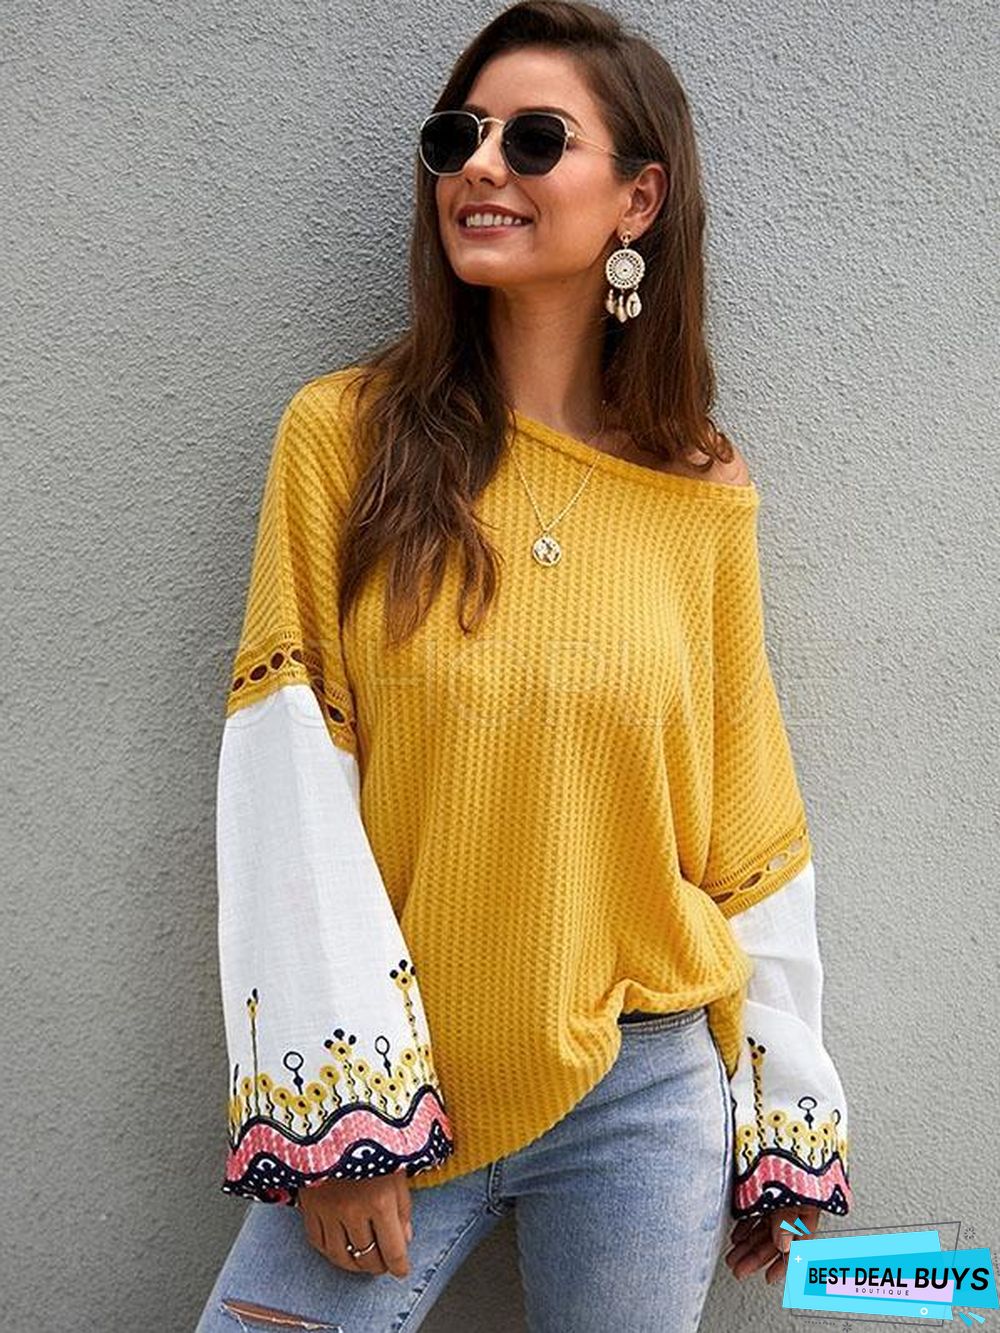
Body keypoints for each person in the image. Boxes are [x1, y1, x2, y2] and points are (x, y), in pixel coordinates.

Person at [195, 3, 853, 1329]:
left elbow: (746, 817)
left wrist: (780, 1117)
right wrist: (343, 1116)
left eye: (536, 139)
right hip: (404, 1077)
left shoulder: (699, 489)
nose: (482, 166)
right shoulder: (343, 438)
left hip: (646, 1091)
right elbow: (287, 774)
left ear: (637, 200)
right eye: (460, 136)